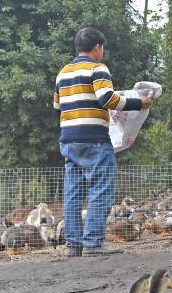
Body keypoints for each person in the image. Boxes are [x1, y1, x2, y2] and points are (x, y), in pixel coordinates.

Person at [54, 27, 152, 257]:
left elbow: (57, 106)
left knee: (73, 193)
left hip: (69, 139)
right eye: (103, 48)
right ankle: (93, 244)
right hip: (94, 140)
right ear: (97, 47)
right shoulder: (98, 69)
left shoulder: (63, 73)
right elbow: (107, 98)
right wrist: (139, 103)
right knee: (100, 190)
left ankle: (73, 245)